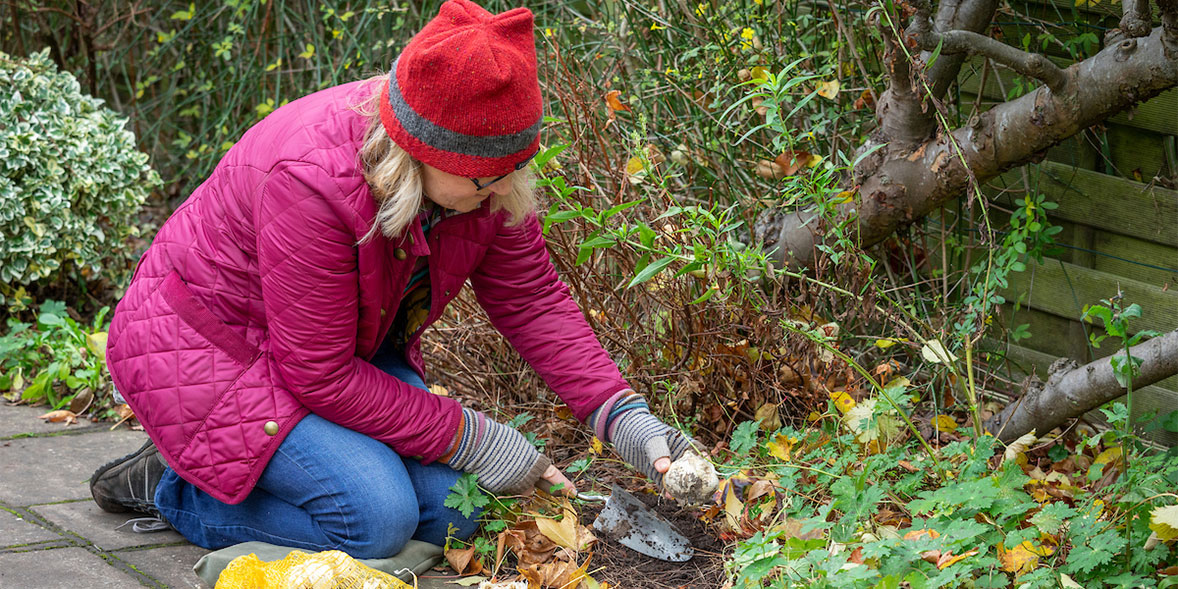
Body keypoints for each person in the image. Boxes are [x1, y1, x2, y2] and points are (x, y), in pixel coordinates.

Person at [90, 0, 693, 560]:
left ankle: (261, 474)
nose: (506, 191)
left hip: (323, 351)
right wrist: (471, 436)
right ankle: (176, 487)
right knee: (375, 520)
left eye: (517, 168)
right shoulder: (309, 181)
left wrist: (625, 419)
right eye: (487, 180)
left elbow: (533, 301)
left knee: (456, 514)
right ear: (420, 154)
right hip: (209, 356)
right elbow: (316, 372)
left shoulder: (480, 174)